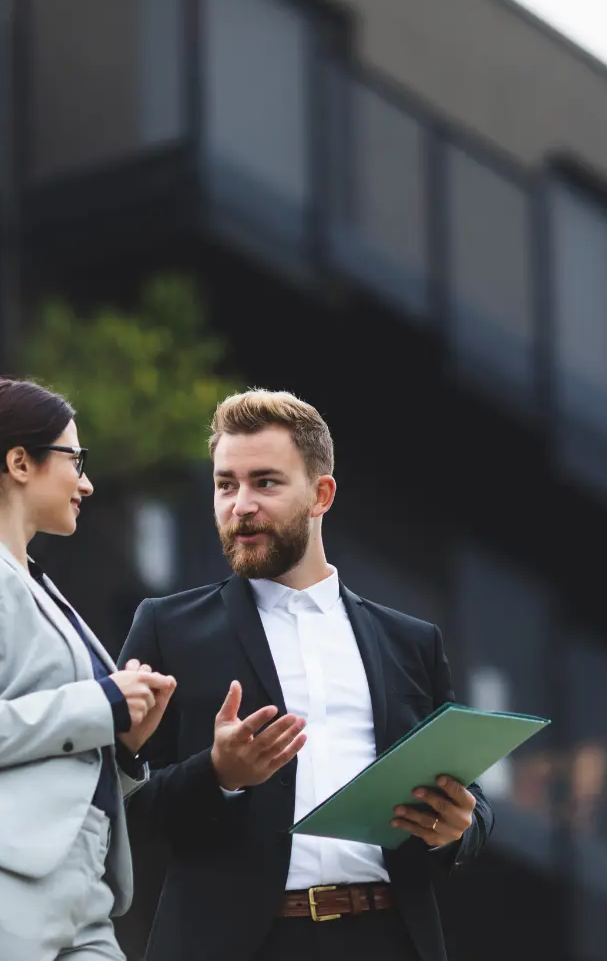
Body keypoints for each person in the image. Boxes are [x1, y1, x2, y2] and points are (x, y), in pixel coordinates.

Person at [119, 389, 493, 961]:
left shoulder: (410, 643)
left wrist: (460, 826)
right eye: (226, 485)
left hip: (387, 937)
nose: (240, 504)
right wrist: (217, 773)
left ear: (321, 494)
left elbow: (468, 795)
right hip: (236, 945)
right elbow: (117, 805)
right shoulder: (167, 628)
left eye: (265, 483)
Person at [0, 377, 176, 961]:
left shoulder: (41, 589)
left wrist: (122, 746)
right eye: (76, 459)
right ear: (20, 462)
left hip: (85, 904)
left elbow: (61, 766)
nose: (88, 481)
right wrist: (101, 705)